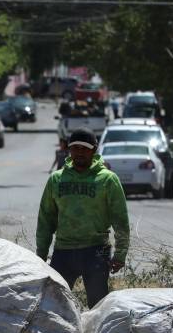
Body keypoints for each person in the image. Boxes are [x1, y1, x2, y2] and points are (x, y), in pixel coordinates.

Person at [36, 129, 130, 307]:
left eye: (84, 148)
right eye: (75, 148)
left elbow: (120, 220)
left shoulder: (108, 180)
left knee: (97, 305)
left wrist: (120, 254)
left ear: (94, 150)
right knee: (54, 305)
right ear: (68, 150)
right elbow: (46, 220)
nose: (79, 152)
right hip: (63, 251)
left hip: (95, 251)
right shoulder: (56, 180)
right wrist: (40, 255)